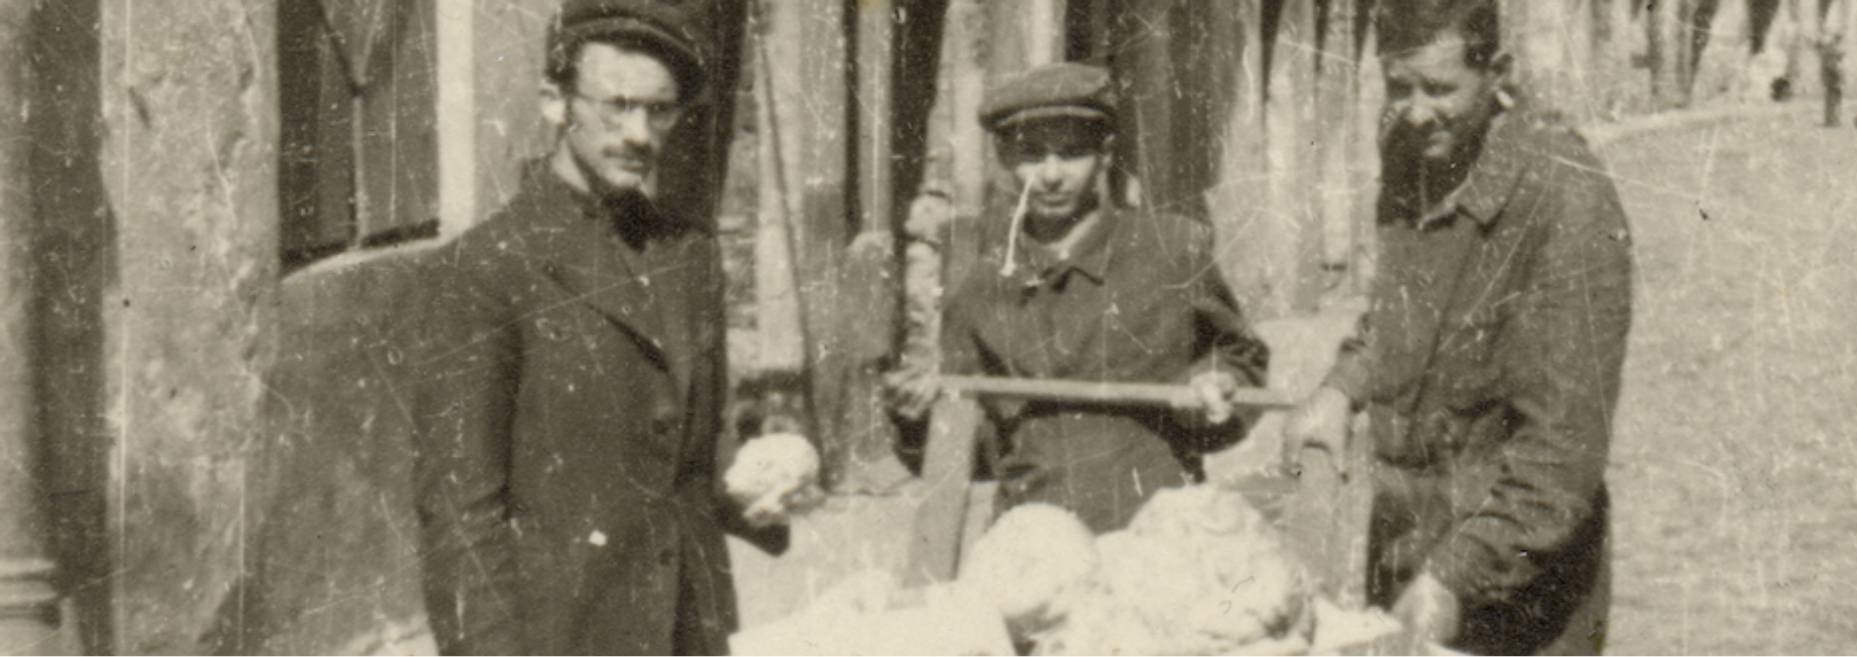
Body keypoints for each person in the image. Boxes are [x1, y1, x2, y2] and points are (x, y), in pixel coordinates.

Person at [412, 1, 805, 653]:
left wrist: (754, 478)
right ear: (555, 101)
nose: (640, 134)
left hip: (687, 631)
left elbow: (687, 450)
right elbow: (461, 517)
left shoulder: (688, 254)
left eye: (659, 110)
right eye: (616, 106)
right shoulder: (486, 269)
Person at [1283, 0, 1635, 653]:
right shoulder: (1410, 150)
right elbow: (1395, 312)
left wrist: (1453, 577)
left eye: (1439, 89)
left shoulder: (1566, 195)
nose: (1416, 112)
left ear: (1497, 71)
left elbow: (1562, 456)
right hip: (1407, 552)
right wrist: (1341, 386)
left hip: (1520, 582)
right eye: (1398, 87)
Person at [889, 63, 1269, 533]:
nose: (1051, 175)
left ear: (1105, 153)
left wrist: (1215, 385)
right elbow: (971, 451)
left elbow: (1241, 358)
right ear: (1005, 159)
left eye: (1071, 154)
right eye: (1031, 155)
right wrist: (917, 419)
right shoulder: (981, 284)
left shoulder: (1171, 250)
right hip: (1034, 540)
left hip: (1160, 535)